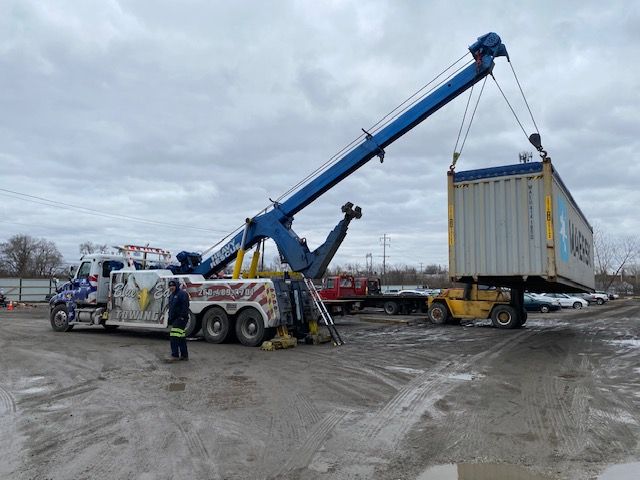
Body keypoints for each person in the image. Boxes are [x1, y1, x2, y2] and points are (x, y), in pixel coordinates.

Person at [166, 280, 189, 361]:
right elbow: (171, 308)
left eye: (173, 286)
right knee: (181, 337)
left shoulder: (182, 294)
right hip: (175, 319)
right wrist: (170, 319)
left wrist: (182, 316)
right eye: (170, 286)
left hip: (181, 319)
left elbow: (185, 306)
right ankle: (184, 355)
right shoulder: (172, 295)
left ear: (176, 286)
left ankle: (174, 355)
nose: (171, 287)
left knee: (174, 336)